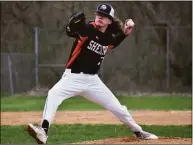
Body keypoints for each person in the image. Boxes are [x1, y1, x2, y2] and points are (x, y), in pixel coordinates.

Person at [26, 4, 158, 144]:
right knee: (53, 95)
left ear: (110, 21)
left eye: (104, 16)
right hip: (72, 78)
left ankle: (138, 131)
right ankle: (43, 132)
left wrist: (125, 33)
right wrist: (70, 29)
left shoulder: (107, 37)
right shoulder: (88, 29)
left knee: (118, 108)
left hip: (93, 81)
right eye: (98, 14)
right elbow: (72, 32)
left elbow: (113, 43)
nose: (100, 17)